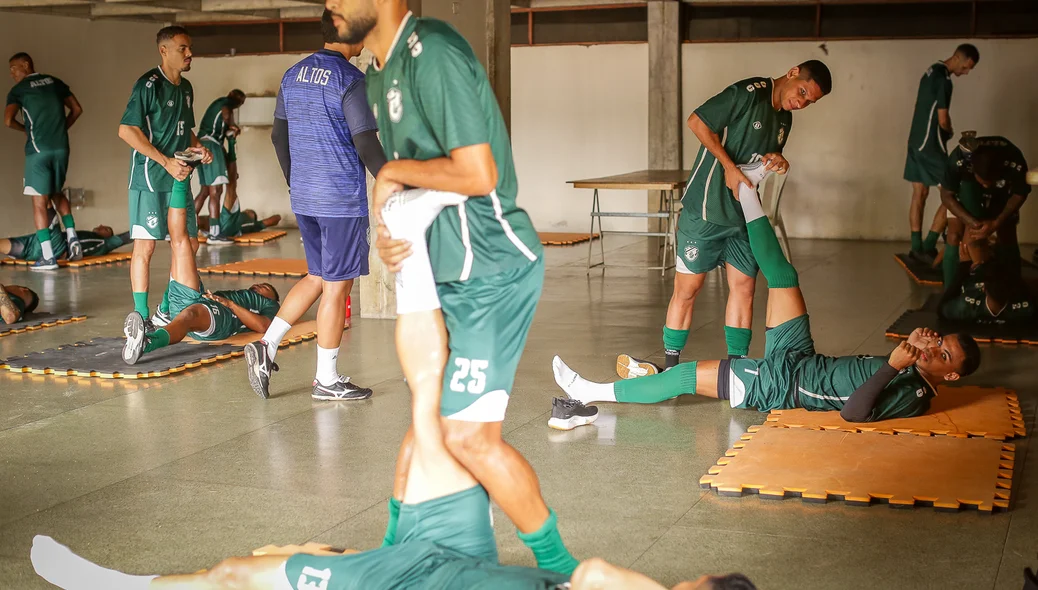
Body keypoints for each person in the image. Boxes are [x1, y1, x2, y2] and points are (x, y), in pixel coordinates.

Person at [33, 197, 753, 588]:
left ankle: (116, 586)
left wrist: (570, 571)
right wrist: (381, 548)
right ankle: (411, 246)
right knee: (427, 418)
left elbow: (594, 571)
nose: (686, 580)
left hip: (415, 581)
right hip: (445, 555)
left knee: (234, 575)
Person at [323, 0, 594, 574]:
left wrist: (392, 176)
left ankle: (566, 574)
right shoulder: (380, 73)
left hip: (493, 272)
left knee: (468, 437)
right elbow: (428, 182)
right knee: (426, 419)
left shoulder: (435, 53)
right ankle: (394, 556)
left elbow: (478, 173)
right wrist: (393, 225)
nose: (330, 4)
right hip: (449, 269)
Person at [554, 164, 982, 425]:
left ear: (952, 376)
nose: (933, 352)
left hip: (784, 384)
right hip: (804, 357)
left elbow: (854, 413)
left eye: (943, 357)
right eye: (940, 344)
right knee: (784, 278)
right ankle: (746, 190)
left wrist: (894, 363)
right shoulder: (919, 360)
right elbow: (900, 360)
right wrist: (918, 344)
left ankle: (587, 393)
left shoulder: (915, 397)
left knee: (683, 378)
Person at [244, 9, 386, 402]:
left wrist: (296, 182)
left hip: (305, 197)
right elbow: (366, 143)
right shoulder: (350, 80)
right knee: (337, 288)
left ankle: (267, 345)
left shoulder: (293, 75)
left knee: (319, 276)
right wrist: (395, 182)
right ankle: (326, 378)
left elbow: (278, 137)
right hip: (339, 200)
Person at [660, 60, 831, 375]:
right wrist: (728, 166)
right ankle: (670, 366)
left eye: (810, 101)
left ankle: (735, 369)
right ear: (793, 73)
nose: (802, 102)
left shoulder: (784, 120)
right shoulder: (748, 93)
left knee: (744, 288)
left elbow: (758, 164)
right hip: (706, 211)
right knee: (688, 289)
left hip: (742, 217)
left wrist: (776, 161)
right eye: (803, 92)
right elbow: (697, 121)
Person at [122, 178, 279, 364]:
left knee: (181, 245)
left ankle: (148, 342)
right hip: (200, 300)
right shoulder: (245, 294)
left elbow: (263, 326)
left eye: (267, 287)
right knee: (182, 245)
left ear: (272, 298)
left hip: (222, 319)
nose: (261, 285)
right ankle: (163, 313)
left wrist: (230, 305)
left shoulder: (271, 306)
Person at [117, 26, 212, 329]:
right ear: (164, 50)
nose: (189, 54)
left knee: (189, 244)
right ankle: (141, 317)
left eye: (190, 47)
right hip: (150, 178)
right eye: (183, 48)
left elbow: (185, 130)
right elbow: (126, 130)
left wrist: (199, 148)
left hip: (179, 177)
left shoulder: (186, 88)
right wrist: (165, 162)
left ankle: (166, 308)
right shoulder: (148, 85)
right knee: (146, 247)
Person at [5, 52, 84, 269]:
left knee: (39, 202)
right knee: (56, 191)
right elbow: (77, 109)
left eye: (14, 68)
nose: (11, 73)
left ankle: (48, 256)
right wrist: (60, 130)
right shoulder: (54, 82)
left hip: (38, 151)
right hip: (61, 147)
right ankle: (73, 239)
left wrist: (27, 131)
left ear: (26, 64)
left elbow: (8, 120)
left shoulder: (19, 90)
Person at [904, 44, 979, 262]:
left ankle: (916, 247)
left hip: (915, 140)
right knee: (953, 194)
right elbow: (943, 117)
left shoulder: (930, 71)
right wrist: (950, 131)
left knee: (920, 193)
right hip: (930, 145)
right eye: (966, 67)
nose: (965, 72)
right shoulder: (945, 81)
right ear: (957, 58)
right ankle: (928, 245)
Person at [939, 135, 1029, 286]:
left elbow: (1020, 193)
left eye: (990, 182)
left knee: (1007, 234)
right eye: (983, 182)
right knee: (955, 236)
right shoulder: (959, 159)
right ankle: (951, 291)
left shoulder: (1013, 159)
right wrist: (973, 223)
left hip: (1002, 188)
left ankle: (1014, 289)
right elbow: (946, 196)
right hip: (966, 185)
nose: (986, 186)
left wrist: (997, 222)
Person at [939, 232, 1034, 326]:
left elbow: (941, 308)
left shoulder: (966, 308)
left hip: (973, 278)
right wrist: (1012, 273)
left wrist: (963, 268)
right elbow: (1029, 298)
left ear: (983, 288)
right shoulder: (1024, 310)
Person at [193, 89, 246, 244]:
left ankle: (188, 227)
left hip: (202, 145)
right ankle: (215, 234)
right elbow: (226, 114)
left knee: (205, 191)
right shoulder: (225, 104)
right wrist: (233, 126)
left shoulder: (217, 104)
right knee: (216, 190)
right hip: (210, 145)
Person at [2, 220, 128, 261]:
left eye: (105, 229)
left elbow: (124, 238)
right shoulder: (91, 235)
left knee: (48, 209)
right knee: (22, 246)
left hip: (58, 247)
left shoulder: (103, 244)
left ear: (108, 235)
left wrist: (145, 228)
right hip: (44, 242)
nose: (101, 226)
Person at [198, 207, 281, 237]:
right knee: (206, 220)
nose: (247, 210)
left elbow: (272, 220)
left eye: (249, 211)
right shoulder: (240, 216)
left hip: (226, 226)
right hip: (222, 223)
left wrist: (279, 217)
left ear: (252, 215)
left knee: (205, 221)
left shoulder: (251, 223)